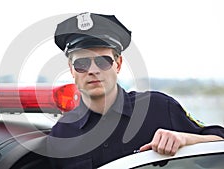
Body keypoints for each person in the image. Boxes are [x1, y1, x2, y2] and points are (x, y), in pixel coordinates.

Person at [46, 12, 224, 169]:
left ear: (118, 64)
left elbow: (220, 142)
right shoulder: (61, 135)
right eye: (82, 64)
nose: (93, 70)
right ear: (71, 69)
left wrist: (186, 139)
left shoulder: (159, 108)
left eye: (103, 61)